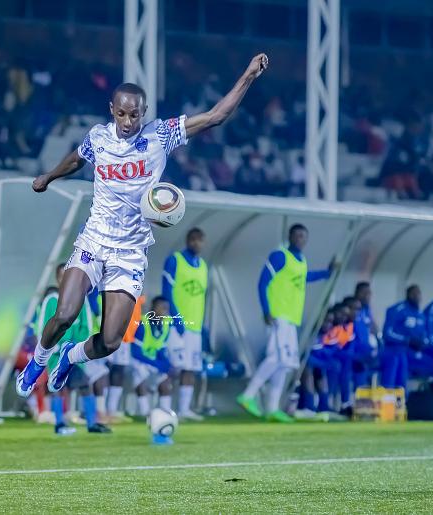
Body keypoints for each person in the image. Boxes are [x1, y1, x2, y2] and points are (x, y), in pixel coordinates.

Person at [16, 54, 269, 398]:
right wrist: (48, 176)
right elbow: (77, 159)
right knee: (64, 314)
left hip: (130, 253)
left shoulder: (160, 135)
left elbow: (215, 116)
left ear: (144, 112)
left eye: (134, 114)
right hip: (94, 241)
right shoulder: (99, 137)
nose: (127, 121)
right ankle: (38, 362)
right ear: (112, 110)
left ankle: (70, 357)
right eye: (121, 113)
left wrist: (248, 75)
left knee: (110, 341)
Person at [237, 223, 335, 422]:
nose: (300, 239)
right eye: (297, 235)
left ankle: (272, 408)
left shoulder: (301, 260)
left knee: (285, 364)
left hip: (291, 319)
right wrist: (266, 310)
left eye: (303, 236)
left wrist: (327, 273)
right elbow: (262, 282)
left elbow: (304, 277)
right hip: (278, 316)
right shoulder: (279, 256)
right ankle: (248, 395)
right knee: (275, 358)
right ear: (290, 237)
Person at [35, 263, 111, 434]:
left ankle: (92, 424)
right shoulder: (51, 300)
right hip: (56, 354)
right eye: (61, 276)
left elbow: (86, 326)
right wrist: (52, 347)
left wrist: (79, 346)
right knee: (57, 387)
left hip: (73, 353)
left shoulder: (81, 299)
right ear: (57, 279)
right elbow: (42, 327)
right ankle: (59, 424)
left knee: (84, 384)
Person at [162, 228, 208, 420]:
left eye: (200, 240)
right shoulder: (175, 260)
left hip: (195, 327)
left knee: (190, 368)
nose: (196, 243)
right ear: (187, 240)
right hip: (177, 326)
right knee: (173, 368)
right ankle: (164, 410)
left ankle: (184, 410)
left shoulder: (203, 266)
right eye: (193, 239)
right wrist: (177, 319)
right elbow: (166, 292)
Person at [130, 296, 174, 416]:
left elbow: (161, 348)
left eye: (166, 308)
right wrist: (156, 364)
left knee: (165, 382)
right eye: (162, 307)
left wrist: (166, 364)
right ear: (153, 308)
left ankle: (166, 413)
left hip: (152, 361)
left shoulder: (166, 324)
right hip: (139, 361)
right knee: (141, 378)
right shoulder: (143, 323)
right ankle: (146, 414)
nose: (165, 311)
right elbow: (135, 352)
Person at [381, 285, 427, 392]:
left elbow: (424, 335)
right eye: (415, 293)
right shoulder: (397, 309)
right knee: (397, 360)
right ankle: (388, 395)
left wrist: (423, 343)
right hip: (395, 349)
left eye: (419, 293)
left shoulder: (420, 314)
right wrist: (408, 340)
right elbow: (387, 334)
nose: (418, 296)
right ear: (409, 295)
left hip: (415, 352)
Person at [106, 295, 145, 419]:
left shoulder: (138, 295)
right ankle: (105, 410)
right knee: (110, 370)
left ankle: (111, 409)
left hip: (126, 336)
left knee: (118, 371)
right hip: (115, 333)